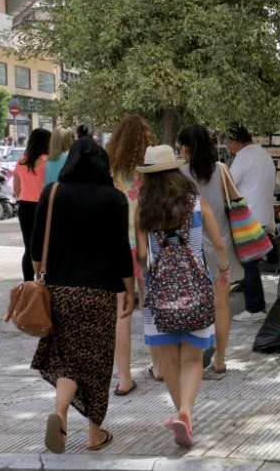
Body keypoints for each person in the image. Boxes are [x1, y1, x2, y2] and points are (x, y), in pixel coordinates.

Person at [30, 137, 135, 453]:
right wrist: (129, 289)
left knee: (67, 359)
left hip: (59, 291)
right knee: (96, 362)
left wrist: (38, 273)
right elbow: (120, 250)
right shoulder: (114, 199)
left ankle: (59, 411)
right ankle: (94, 433)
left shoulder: (53, 193)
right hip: (99, 294)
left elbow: (36, 246)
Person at [136, 145, 230, 447]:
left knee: (168, 361)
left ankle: (181, 413)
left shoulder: (144, 209)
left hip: (159, 291)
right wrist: (224, 270)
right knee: (192, 358)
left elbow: (140, 255)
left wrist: (143, 279)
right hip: (195, 288)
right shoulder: (196, 204)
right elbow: (218, 244)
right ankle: (186, 413)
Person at [178, 124, 244, 377]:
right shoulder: (222, 170)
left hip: (192, 249)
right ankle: (220, 360)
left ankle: (194, 360)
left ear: (185, 148)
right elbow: (237, 202)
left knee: (194, 307)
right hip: (222, 247)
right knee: (221, 306)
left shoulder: (180, 174)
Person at [105, 115, 155, 394]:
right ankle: (159, 367)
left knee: (122, 312)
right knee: (150, 306)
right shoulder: (148, 172)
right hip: (146, 245)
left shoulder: (109, 172)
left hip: (117, 247)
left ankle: (124, 379)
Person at [226, 124, 275, 324]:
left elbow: (228, 183)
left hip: (248, 216)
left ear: (236, 142)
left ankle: (255, 306)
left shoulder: (243, 157)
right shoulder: (263, 154)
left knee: (248, 262)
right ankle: (248, 297)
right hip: (262, 215)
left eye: (228, 142)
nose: (228, 146)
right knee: (248, 261)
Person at [13, 128, 51, 281]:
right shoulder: (47, 161)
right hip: (43, 206)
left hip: (24, 206)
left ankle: (28, 283)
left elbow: (16, 189)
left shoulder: (21, 162)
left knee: (28, 247)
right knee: (44, 245)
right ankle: (43, 279)